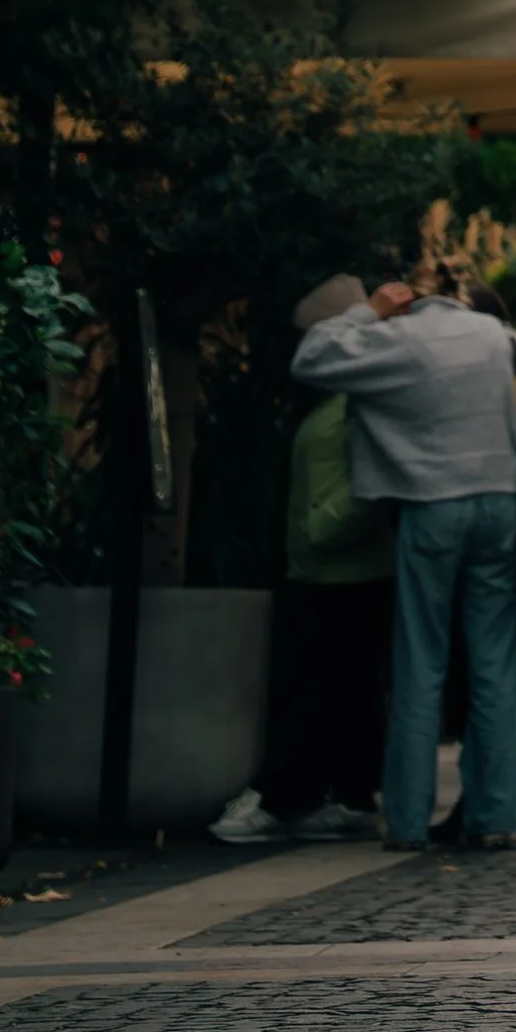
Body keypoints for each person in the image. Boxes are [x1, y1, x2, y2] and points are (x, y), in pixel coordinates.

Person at [291, 269, 516, 851]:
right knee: (493, 662)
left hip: (428, 504)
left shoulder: (399, 338)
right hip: (498, 503)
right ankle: (496, 815)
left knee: (420, 661)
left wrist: (370, 313)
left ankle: (408, 821)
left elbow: (311, 358)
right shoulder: (504, 339)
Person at [213, 275, 397, 845]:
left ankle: (289, 796)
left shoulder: (359, 400)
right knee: (336, 687)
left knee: (320, 686)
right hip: (326, 564)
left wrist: (327, 527)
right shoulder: (335, 401)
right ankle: (338, 794)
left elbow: (375, 476)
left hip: (342, 565)